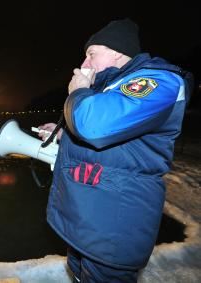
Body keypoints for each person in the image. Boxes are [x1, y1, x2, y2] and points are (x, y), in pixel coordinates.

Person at [38, 18, 193, 282]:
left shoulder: (158, 80)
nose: (84, 64)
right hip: (88, 220)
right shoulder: (112, 89)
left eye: (91, 54)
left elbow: (95, 126)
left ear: (117, 51)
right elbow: (115, 141)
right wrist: (65, 133)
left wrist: (78, 93)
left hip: (113, 229)